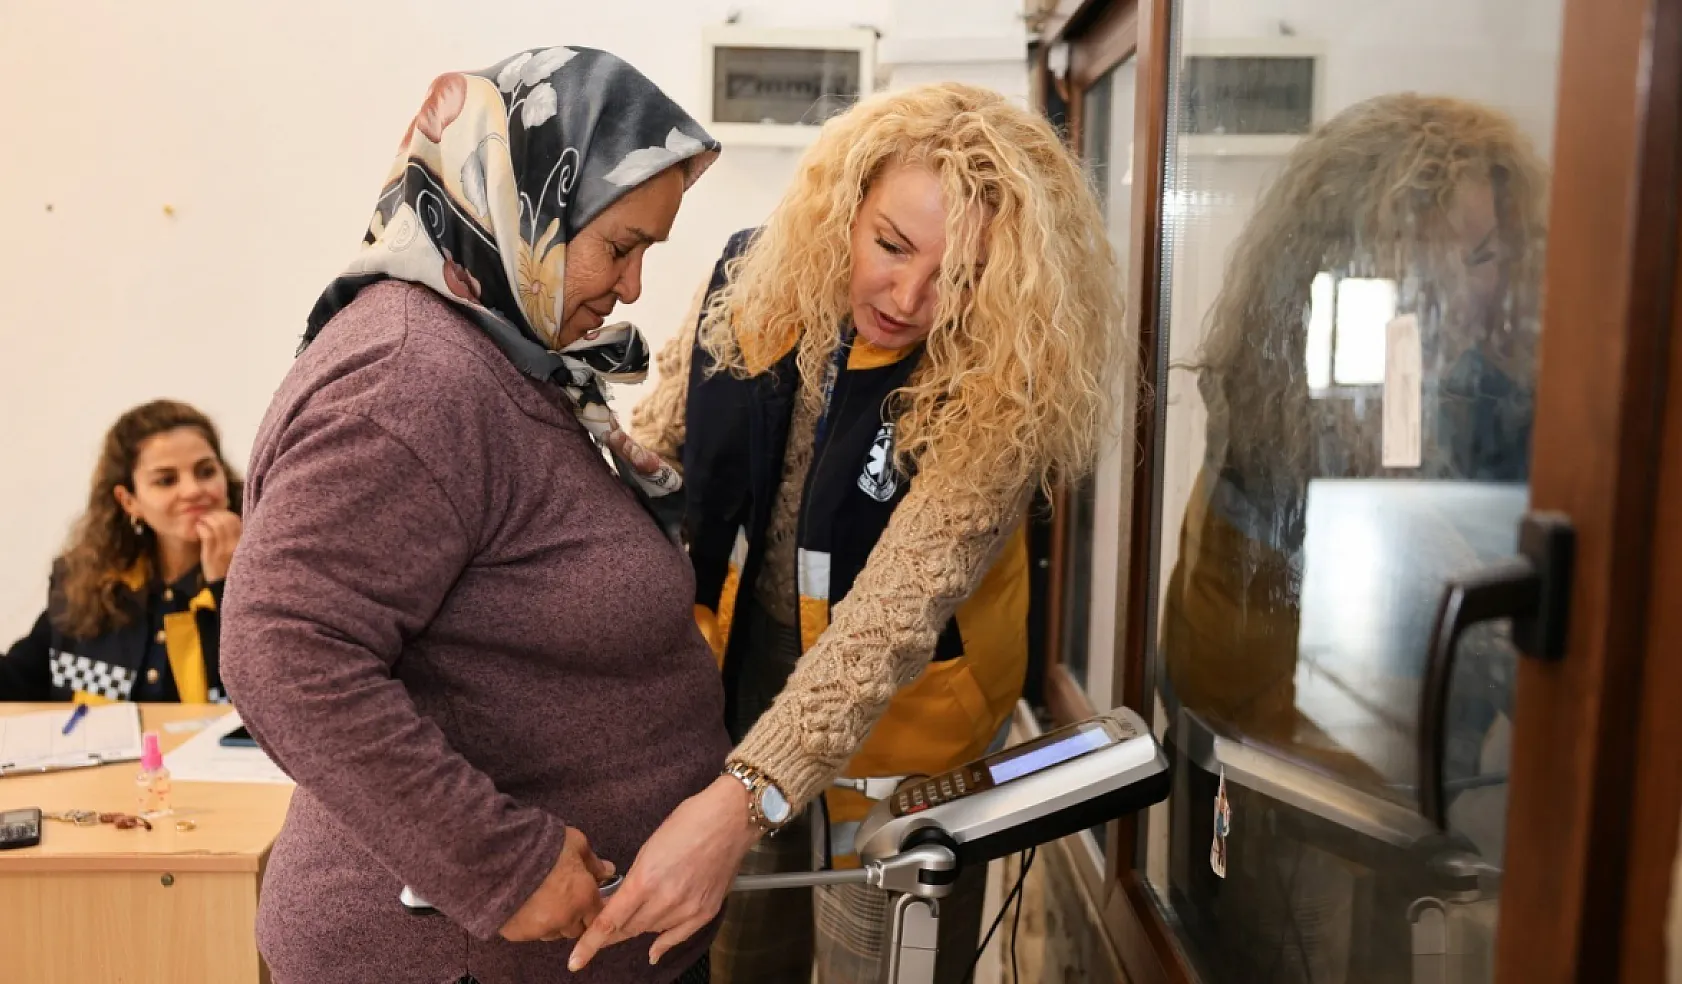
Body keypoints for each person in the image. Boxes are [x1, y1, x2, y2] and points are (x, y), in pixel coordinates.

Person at [570, 82, 1129, 984]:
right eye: (891, 246)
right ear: (847, 208)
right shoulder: (758, 280)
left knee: (882, 962)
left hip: (902, 740)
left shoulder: (998, 385)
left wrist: (745, 796)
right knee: (742, 955)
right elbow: (660, 453)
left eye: (961, 276)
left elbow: (887, 627)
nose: (909, 296)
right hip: (742, 683)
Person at [218, 48, 726, 984]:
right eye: (621, 247)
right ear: (522, 202)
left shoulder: (499, 352)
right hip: (444, 955)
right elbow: (281, 648)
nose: (634, 287)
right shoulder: (411, 379)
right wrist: (501, 864)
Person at [1157, 93, 1547, 980]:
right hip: (1291, 778)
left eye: (1485, 255)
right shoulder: (1280, 390)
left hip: (1437, 788)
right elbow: (1302, 626)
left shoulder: (1504, 389)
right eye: (1429, 258)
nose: (1466, 290)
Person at [1, 399, 243, 704]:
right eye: (166, 480)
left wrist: (229, 585)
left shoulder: (268, 571)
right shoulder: (86, 581)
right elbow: (19, 682)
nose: (193, 490)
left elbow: (274, 686)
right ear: (129, 501)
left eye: (206, 471)